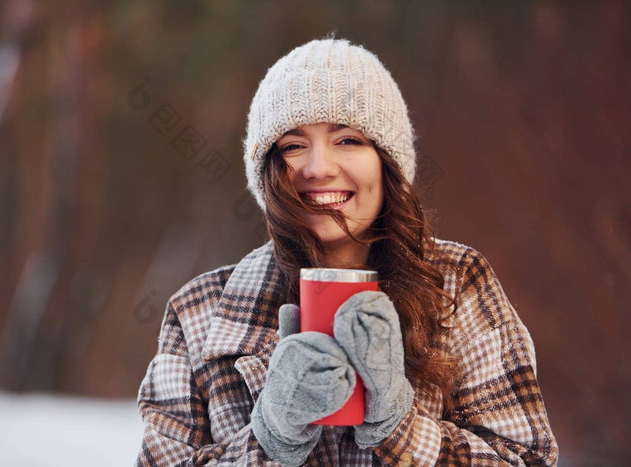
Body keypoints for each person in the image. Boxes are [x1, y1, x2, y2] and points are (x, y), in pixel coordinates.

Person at [136, 38, 559, 466]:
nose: (318, 167)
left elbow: (526, 459)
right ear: (266, 170)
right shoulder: (198, 312)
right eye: (293, 145)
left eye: (348, 140)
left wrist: (399, 426)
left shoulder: (457, 283)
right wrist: (270, 437)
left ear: (387, 162)